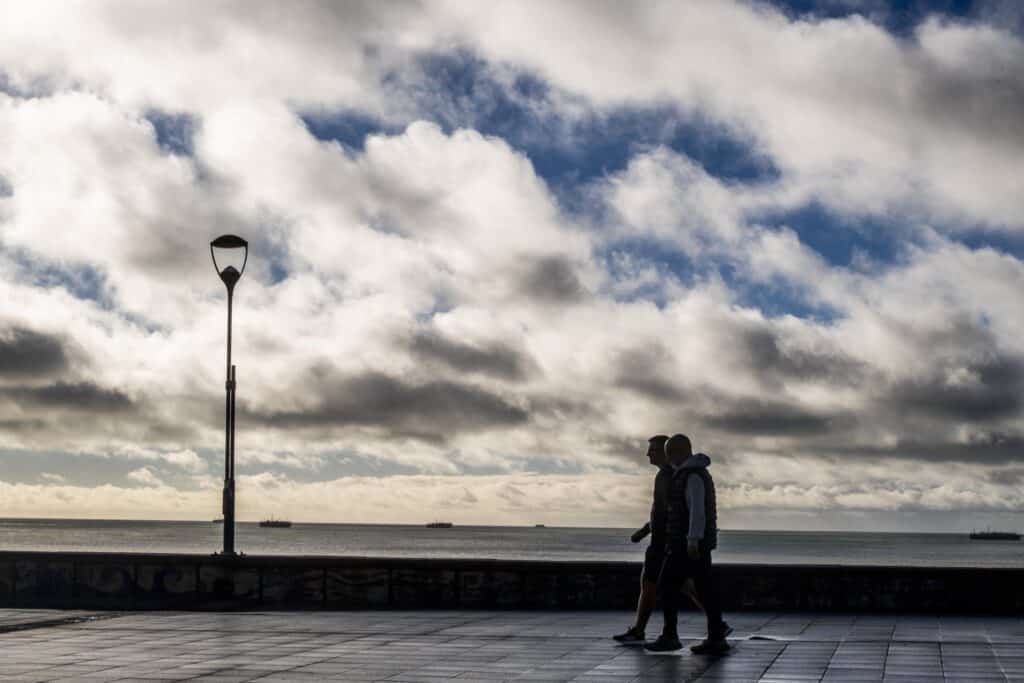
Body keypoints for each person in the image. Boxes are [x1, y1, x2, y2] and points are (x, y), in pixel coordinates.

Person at [645, 433, 731, 654]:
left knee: (667, 586)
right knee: (704, 589)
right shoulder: (689, 474)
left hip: (687, 545)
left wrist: (692, 540)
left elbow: (697, 512)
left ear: (680, 452)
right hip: (691, 544)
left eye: (670, 454)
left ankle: (671, 636)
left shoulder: (692, 476)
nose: (669, 459)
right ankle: (716, 637)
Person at [612, 434, 671, 644]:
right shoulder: (669, 475)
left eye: (653, 450)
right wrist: (646, 530)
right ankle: (638, 629)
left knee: (656, 582)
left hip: (663, 542)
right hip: (664, 540)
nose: (648, 454)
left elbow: (665, 511)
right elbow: (661, 512)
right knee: (651, 583)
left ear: (666, 451)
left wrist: (650, 533)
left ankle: (717, 624)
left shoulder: (666, 476)